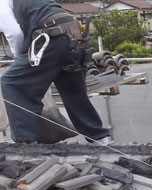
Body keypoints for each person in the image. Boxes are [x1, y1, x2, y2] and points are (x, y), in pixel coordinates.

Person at [0, 0, 110, 145]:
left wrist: (20, 58)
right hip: (73, 35)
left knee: (12, 83)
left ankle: (26, 143)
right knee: (72, 89)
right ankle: (99, 139)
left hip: (50, 36)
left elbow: (13, 33)